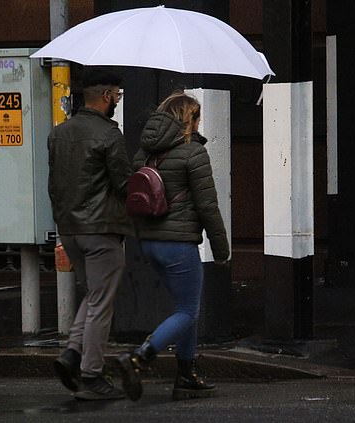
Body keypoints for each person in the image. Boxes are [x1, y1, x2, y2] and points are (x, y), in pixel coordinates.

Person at [116, 91, 230, 401]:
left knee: (185, 308)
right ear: (187, 119)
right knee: (187, 311)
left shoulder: (144, 153)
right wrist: (222, 249)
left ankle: (186, 376)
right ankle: (138, 357)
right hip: (178, 246)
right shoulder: (193, 153)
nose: (199, 122)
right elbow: (208, 206)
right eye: (196, 117)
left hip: (149, 244)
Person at [48, 68, 132, 401]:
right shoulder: (109, 134)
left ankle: (71, 353)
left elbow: (55, 185)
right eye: (118, 96)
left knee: (95, 293)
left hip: (70, 228)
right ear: (107, 95)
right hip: (101, 228)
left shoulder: (59, 133)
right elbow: (124, 184)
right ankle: (91, 374)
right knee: (101, 302)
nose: (117, 102)